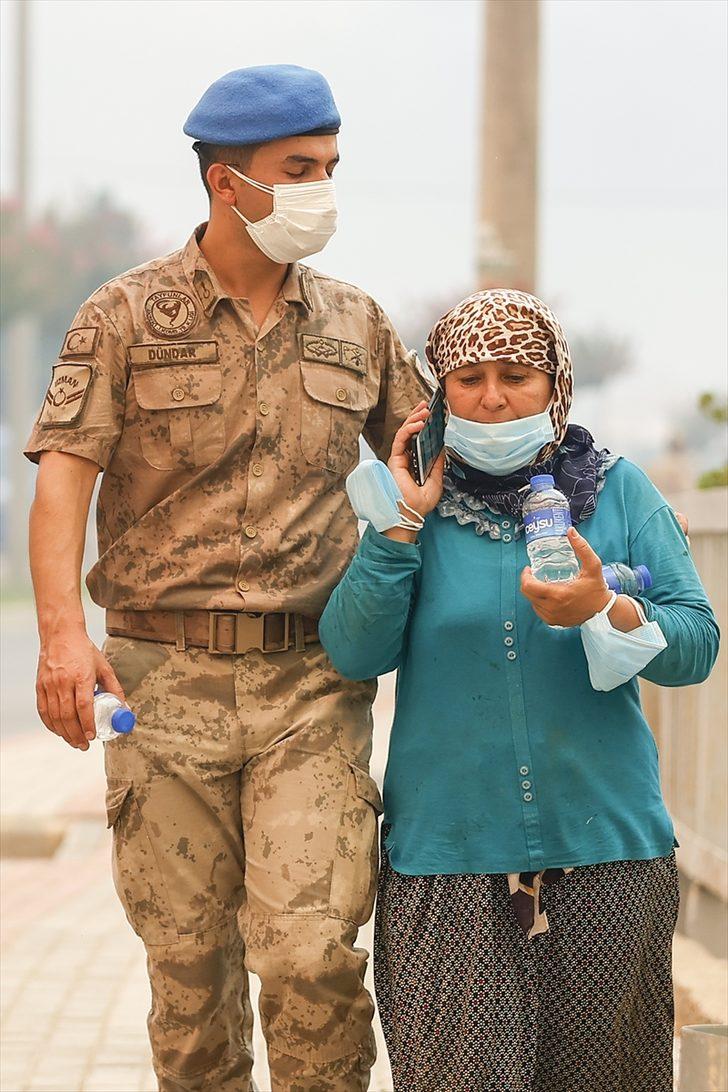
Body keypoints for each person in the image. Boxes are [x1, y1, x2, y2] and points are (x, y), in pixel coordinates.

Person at [25, 65, 431, 1092]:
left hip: (312, 684)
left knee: (310, 955)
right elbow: (63, 480)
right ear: (226, 182)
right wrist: (63, 638)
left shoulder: (357, 324)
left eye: (330, 166)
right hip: (159, 688)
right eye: (298, 169)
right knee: (190, 972)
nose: (321, 188)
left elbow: (437, 464)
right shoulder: (124, 316)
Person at [319, 289, 719, 1092]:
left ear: (556, 386)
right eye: (468, 379)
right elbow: (354, 651)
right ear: (440, 392)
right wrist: (398, 527)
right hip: (449, 863)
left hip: (607, 856)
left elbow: (697, 644)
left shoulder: (619, 491)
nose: (493, 397)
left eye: (516, 376)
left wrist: (607, 607)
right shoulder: (413, 505)